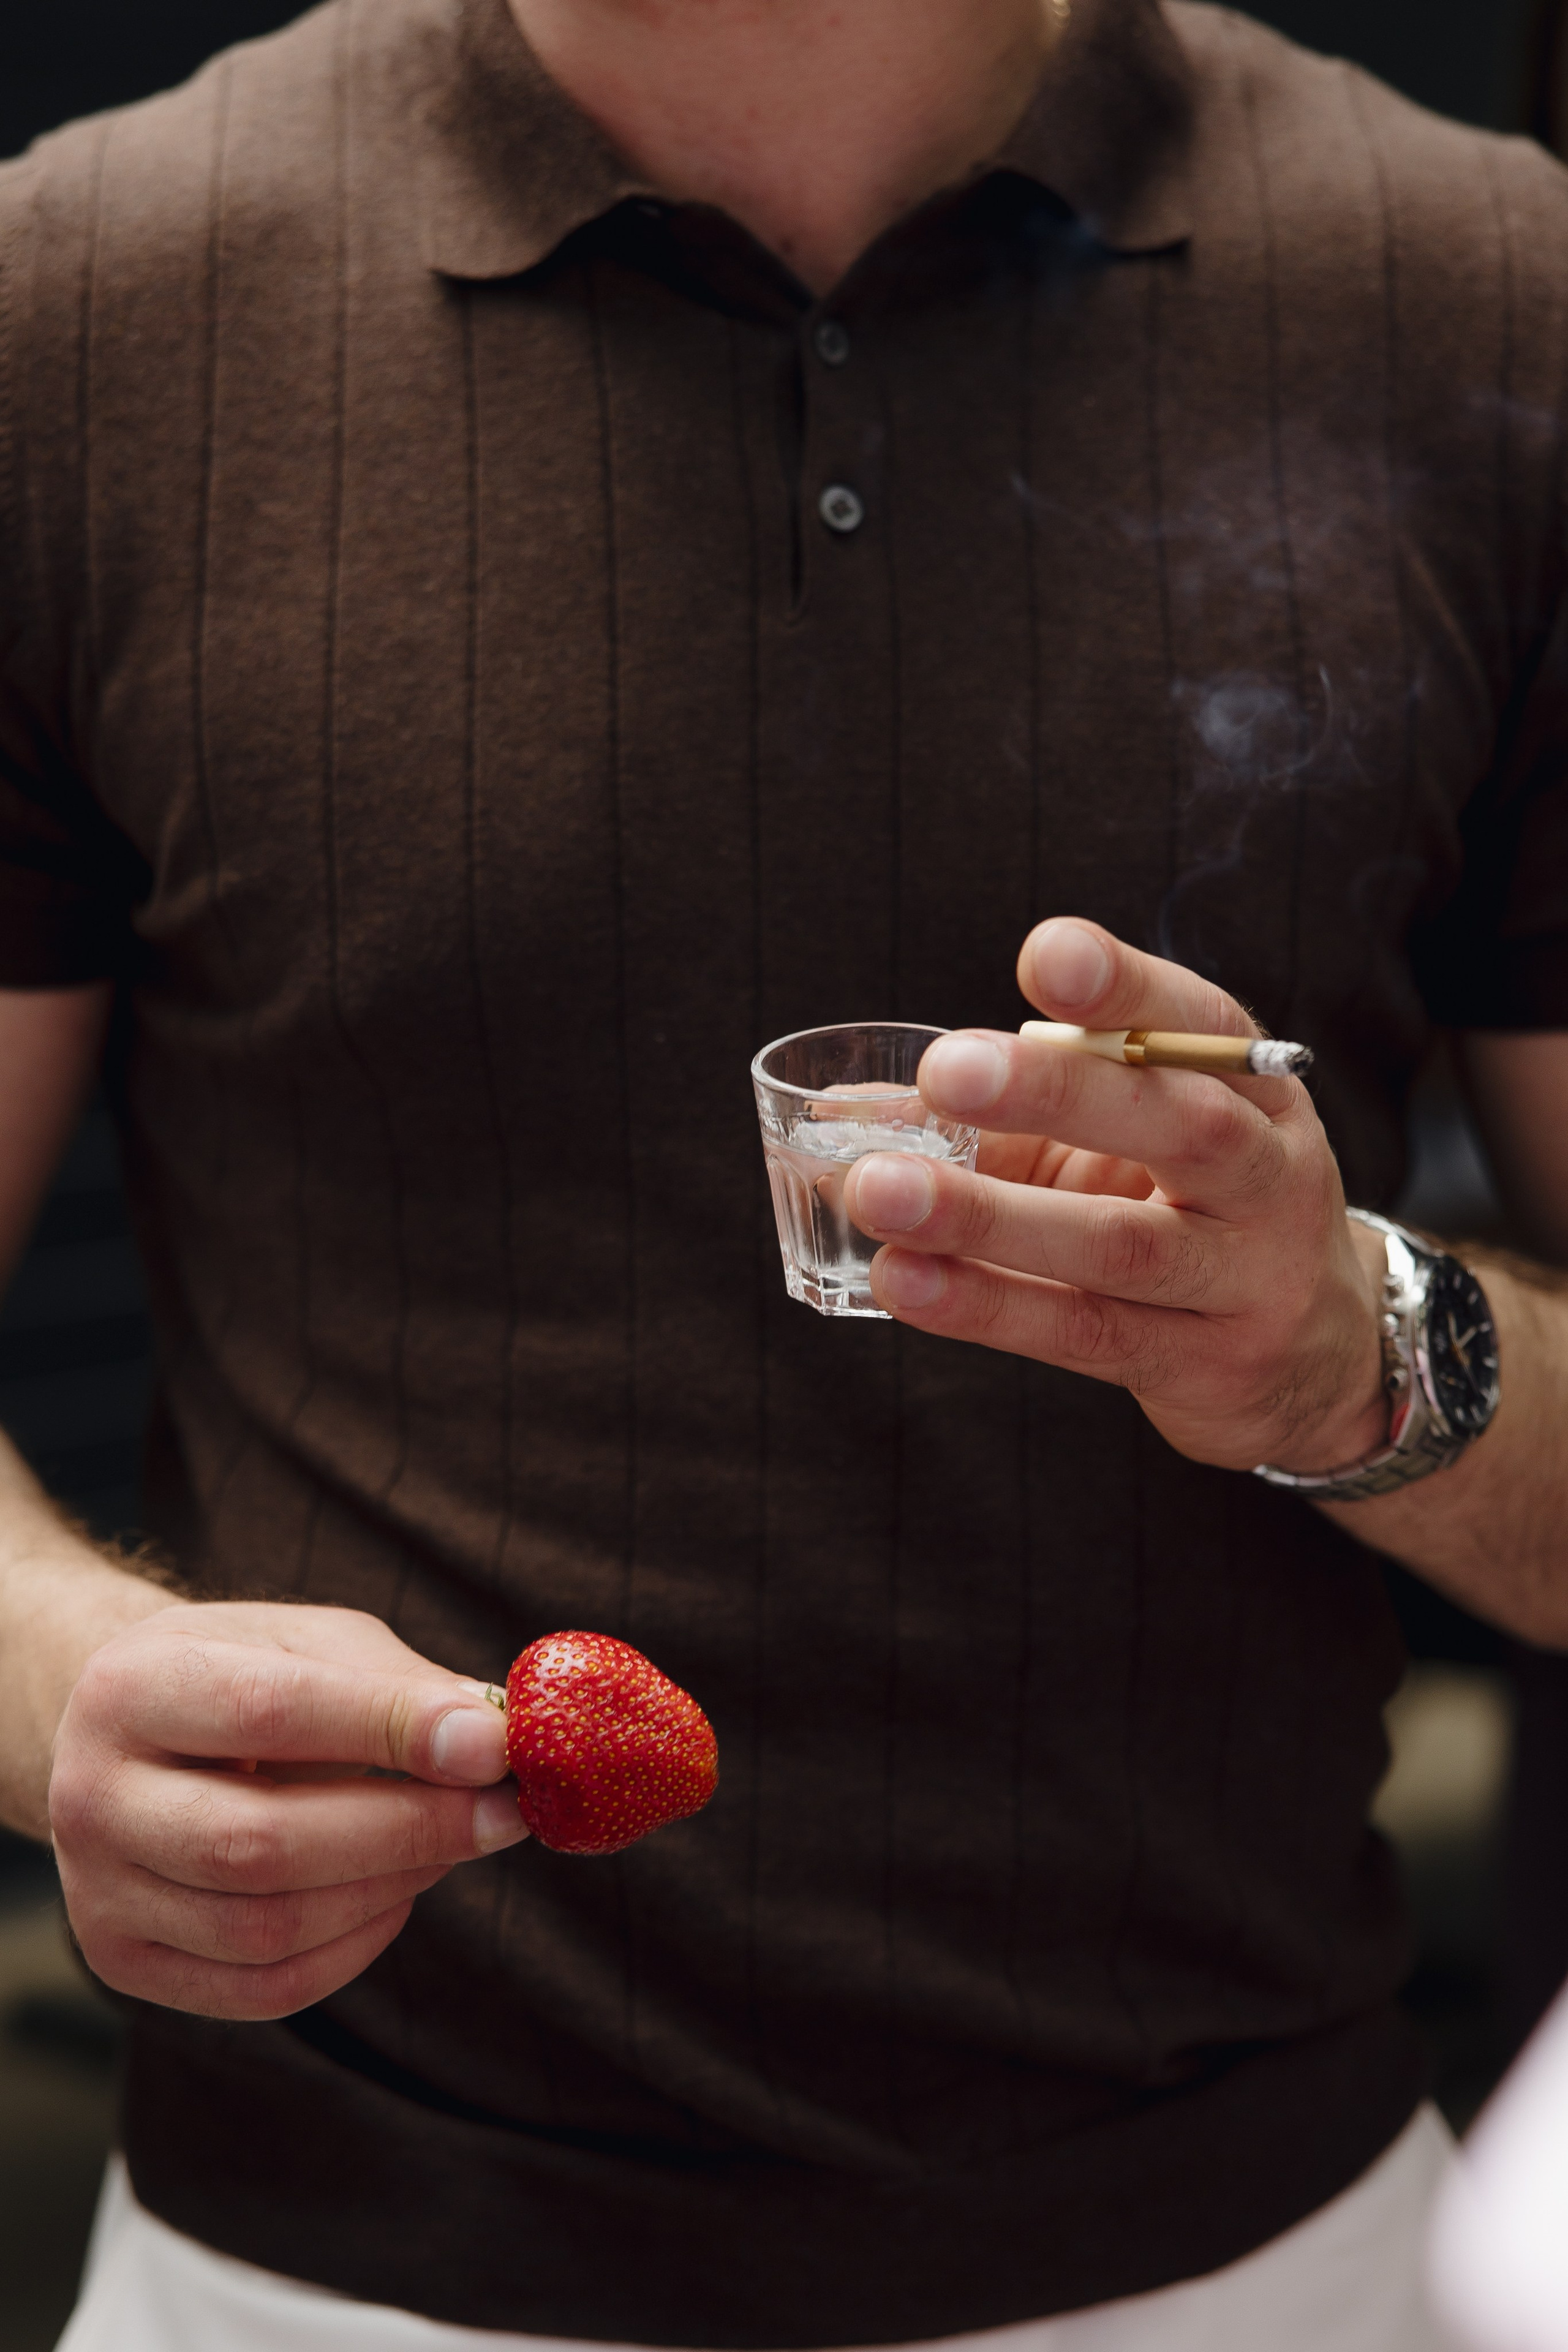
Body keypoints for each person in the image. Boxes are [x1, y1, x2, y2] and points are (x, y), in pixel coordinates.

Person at [2, 0, 1567, 2344]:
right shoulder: (83, 303)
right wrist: (76, 1698)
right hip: (324, 2273)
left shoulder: (1477, 288)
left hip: (1257, 2258)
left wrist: (1361, 1359)